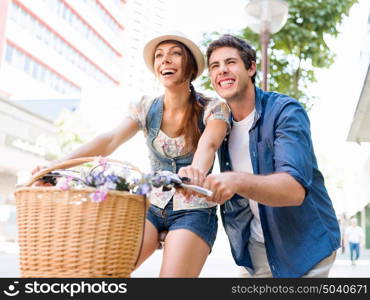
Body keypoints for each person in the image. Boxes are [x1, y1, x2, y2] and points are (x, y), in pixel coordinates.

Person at [32, 32, 230, 277]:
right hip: (150, 207)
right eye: (159, 56)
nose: (165, 60)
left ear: (190, 66)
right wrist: (56, 165)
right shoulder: (146, 107)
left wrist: (195, 172)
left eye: (175, 54)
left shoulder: (214, 108)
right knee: (104, 273)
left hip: (194, 210)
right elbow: (109, 139)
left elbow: (208, 145)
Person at [200, 34, 340, 278]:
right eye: (215, 66)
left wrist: (236, 181)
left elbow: (293, 189)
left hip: (305, 247)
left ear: (251, 67)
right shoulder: (220, 124)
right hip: (257, 248)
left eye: (230, 62)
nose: (222, 70)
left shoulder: (285, 111)